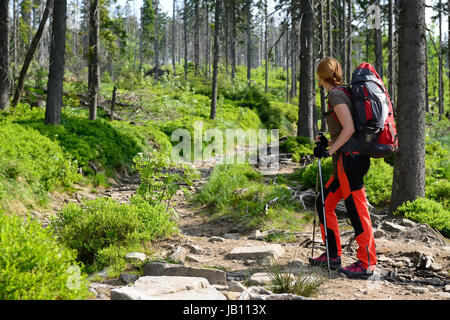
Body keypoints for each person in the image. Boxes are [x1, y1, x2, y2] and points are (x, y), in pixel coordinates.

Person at [309, 56, 377, 279]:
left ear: (320, 76)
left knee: (357, 211)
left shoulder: (336, 94)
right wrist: (328, 144)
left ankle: (366, 263)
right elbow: (344, 133)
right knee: (325, 202)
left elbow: (348, 129)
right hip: (346, 161)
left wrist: (328, 151)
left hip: (350, 162)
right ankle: (332, 255)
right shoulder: (343, 92)